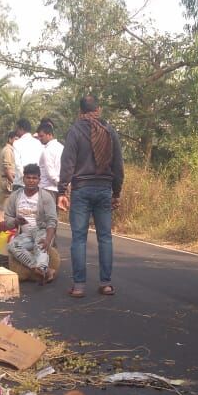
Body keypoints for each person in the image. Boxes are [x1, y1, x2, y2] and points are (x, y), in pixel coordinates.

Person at [57, 94, 124, 298]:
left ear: (80, 111)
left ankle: (79, 286)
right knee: (105, 237)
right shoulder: (109, 131)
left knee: (79, 238)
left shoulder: (75, 130)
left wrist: (62, 190)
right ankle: (106, 284)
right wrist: (116, 192)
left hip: (82, 190)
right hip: (104, 188)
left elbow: (68, 161)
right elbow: (118, 165)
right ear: (99, 109)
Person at [3, 163, 58, 284]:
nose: (31, 181)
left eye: (34, 178)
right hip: (26, 235)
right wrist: (16, 221)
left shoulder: (46, 197)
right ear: (23, 179)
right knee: (12, 246)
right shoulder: (15, 196)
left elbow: (52, 221)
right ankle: (44, 270)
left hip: (41, 231)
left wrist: (48, 240)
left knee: (41, 246)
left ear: (39, 179)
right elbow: (7, 218)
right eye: (28, 177)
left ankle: (42, 269)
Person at [36, 120, 63, 198]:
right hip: (58, 188)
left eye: (42, 136)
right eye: (39, 136)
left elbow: (50, 173)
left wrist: (60, 184)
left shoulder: (47, 151)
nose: (40, 139)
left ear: (49, 135)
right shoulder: (61, 147)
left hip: (47, 189)